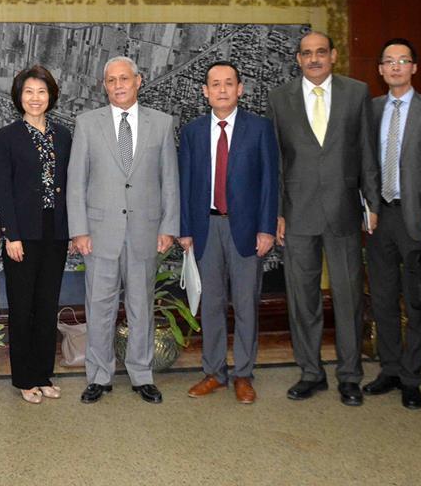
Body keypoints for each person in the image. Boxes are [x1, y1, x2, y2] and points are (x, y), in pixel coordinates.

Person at [266, 31, 380, 406]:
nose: (313, 59)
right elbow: (276, 162)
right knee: (303, 299)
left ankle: (350, 375)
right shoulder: (279, 98)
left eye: (320, 52)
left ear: (333, 55)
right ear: (297, 59)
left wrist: (372, 204)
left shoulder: (356, 93)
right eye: (306, 53)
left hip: (344, 210)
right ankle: (311, 372)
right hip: (297, 214)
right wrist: (276, 212)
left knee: (348, 297)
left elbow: (367, 152)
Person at [67, 56, 179, 405]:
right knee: (99, 307)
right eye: (111, 80)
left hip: (146, 232)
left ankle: (142, 374)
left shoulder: (161, 124)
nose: (118, 85)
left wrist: (169, 227)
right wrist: (79, 231)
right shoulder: (87, 124)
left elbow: (169, 181)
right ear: (104, 85)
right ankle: (99, 376)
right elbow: (76, 182)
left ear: (138, 81)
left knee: (141, 306)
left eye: (124, 79)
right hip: (99, 234)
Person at [178, 61, 278, 405]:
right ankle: (214, 372)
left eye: (228, 83)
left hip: (246, 230)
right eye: (215, 84)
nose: (222, 89)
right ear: (205, 92)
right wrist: (185, 230)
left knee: (246, 303)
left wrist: (266, 228)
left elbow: (270, 182)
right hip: (205, 228)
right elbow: (185, 183)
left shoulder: (259, 129)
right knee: (212, 304)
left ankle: (244, 374)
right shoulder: (192, 132)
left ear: (240, 89)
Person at [363, 39, 421, 410]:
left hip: (418, 217)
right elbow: (365, 164)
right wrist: (366, 207)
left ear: (414, 67)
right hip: (379, 217)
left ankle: (412, 378)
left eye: (403, 60)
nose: (395, 67)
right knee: (383, 299)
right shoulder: (371, 109)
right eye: (389, 61)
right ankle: (390, 370)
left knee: (416, 301)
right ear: (381, 70)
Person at [0, 65, 72, 404]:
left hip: (56, 232)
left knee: (46, 305)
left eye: (41, 91)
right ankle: (24, 378)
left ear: (51, 96)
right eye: (29, 92)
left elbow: (70, 184)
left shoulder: (63, 135)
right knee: (22, 306)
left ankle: (43, 374)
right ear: (19, 97)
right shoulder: (8, 136)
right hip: (22, 235)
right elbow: (3, 188)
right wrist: (10, 235)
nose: (35, 98)